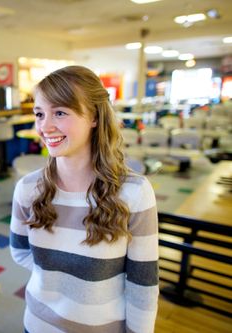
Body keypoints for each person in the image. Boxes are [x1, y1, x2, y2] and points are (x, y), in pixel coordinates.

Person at [10, 65, 158, 333]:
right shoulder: (28, 188)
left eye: (60, 112)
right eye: (39, 114)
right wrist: (60, 281)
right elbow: (19, 251)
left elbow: (143, 284)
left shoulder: (134, 192)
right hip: (36, 325)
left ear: (94, 116)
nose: (45, 126)